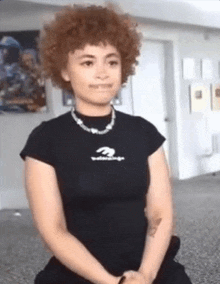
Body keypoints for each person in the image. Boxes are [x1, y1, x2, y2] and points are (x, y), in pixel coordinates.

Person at [20, 4, 192, 284]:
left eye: (111, 62)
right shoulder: (45, 140)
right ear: (65, 70)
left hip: (146, 264)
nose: (102, 73)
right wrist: (109, 281)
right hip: (78, 268)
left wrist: (146, 275)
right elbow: (53, 230)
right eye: (88, 62)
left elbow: (160, 215)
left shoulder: (144, 133)